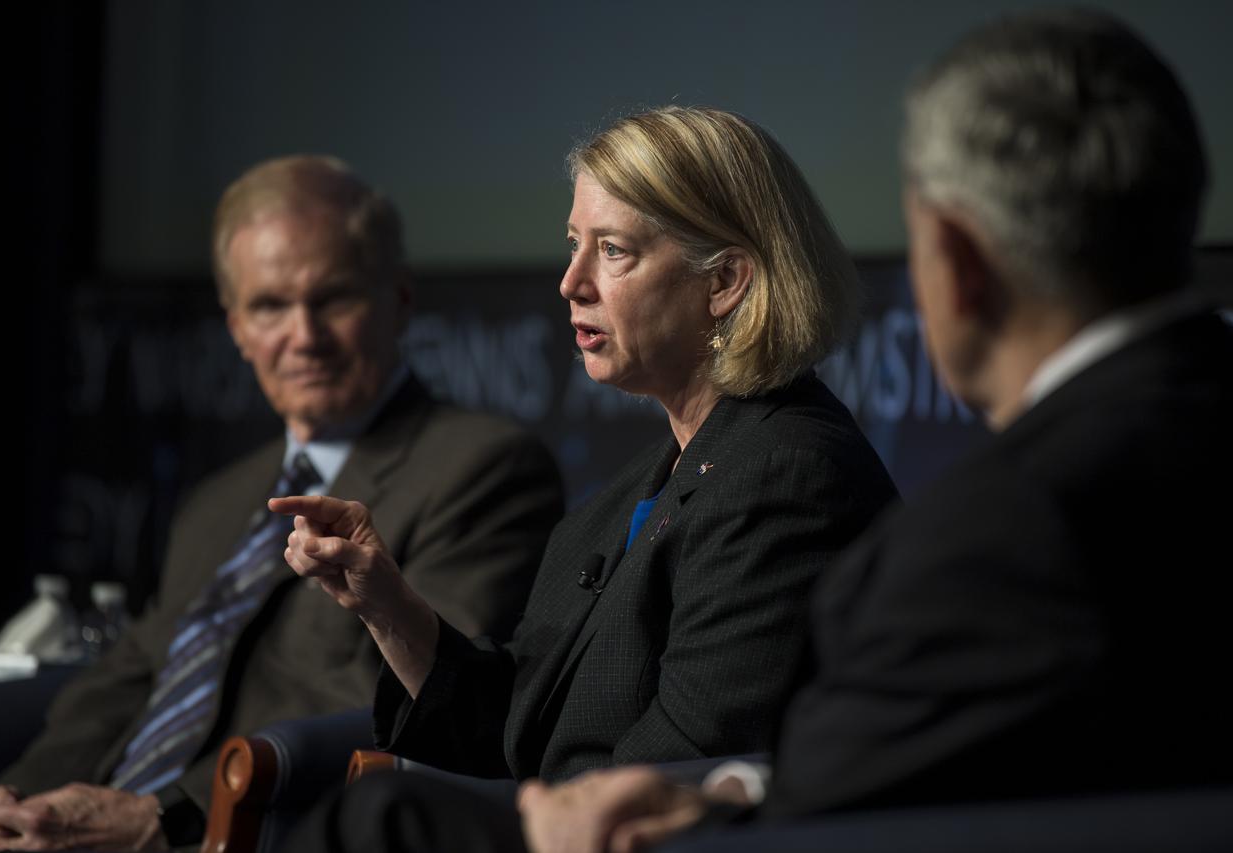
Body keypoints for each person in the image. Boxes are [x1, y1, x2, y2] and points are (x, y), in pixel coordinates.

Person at [516, 9, 1233, 852]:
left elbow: (847, 804)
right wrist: (739, 788)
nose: (572, 281)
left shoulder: (1001, 535)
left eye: (612, 249)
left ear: (955, 257)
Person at [272, 106, 898, 852]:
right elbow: (516, 731)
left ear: (725, 280)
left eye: (614, 252)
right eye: (575, 246)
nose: (571, 282)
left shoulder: (788, 478)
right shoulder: (647, 481)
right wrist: (388, 606)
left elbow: (679, 770)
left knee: (378, 822)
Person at [0, 156, 564, 852]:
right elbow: (130, 675)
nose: (304, 336)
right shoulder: (218, 498)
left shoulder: (483, 469)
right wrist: (16, 801)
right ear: (235, 326)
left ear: (401, 300)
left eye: (334, 298)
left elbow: (414, 702)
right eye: (269, 306)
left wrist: (164, 815)